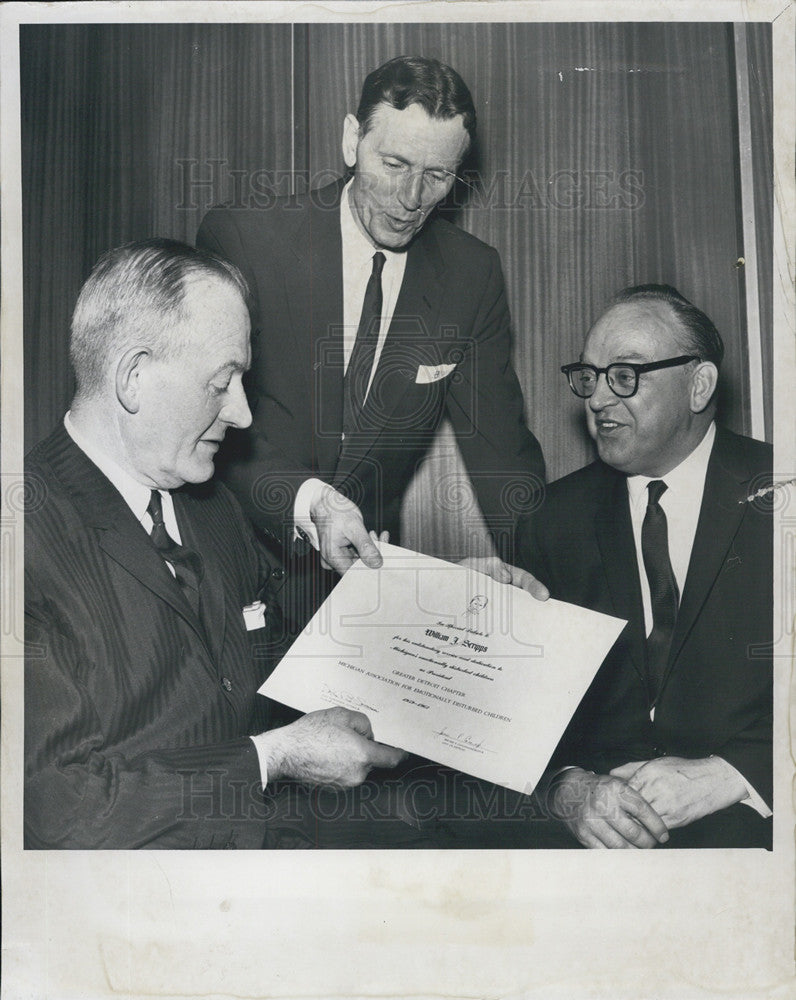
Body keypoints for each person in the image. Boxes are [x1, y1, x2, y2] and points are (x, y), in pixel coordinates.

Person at [24, 239, 407, 850]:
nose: (244, 413)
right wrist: (269, 759)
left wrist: (437, 607)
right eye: (221, 382)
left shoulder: (211, 508)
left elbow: (280, 682)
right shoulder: (22, 541)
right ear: (133, 377)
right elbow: (59, 810)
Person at [197, 55, 544, 606]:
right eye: (395, 164)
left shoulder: (472, 275)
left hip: (362, 590)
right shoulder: (245, 240)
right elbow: (208, 416)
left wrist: (539, 580)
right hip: (233, 577)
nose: (412, 199)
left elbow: (504, 453)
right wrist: (309, 501)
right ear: (351, 140)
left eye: (437, 176)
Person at [519, 285, 773, 849]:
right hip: (593, 848)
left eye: (626, 376)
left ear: (698, 385)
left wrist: (737, 774)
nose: (598, 399)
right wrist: (567, 790)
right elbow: (522, 722)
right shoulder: (549, 519)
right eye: (589, 377)